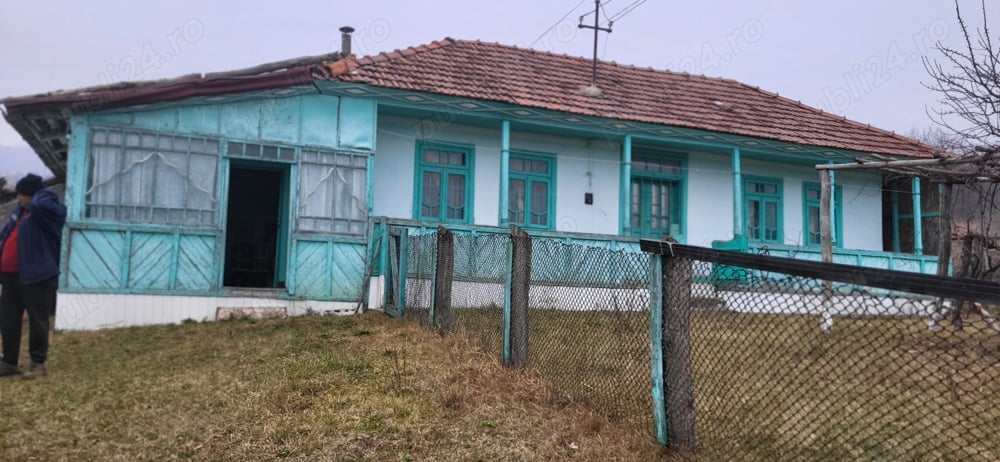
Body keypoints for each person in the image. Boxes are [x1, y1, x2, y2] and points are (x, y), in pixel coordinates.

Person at [0, 173, 66, 379]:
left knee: (38, 321)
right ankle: (9, 362)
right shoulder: (20, 211)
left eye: (22, 194)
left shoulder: (44, 211)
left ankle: (38, 364)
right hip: (11, 276)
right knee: (8, 319)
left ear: (33, 195)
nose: (18, 198)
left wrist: (42, 193)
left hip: (36, 275)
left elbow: (41, 205)